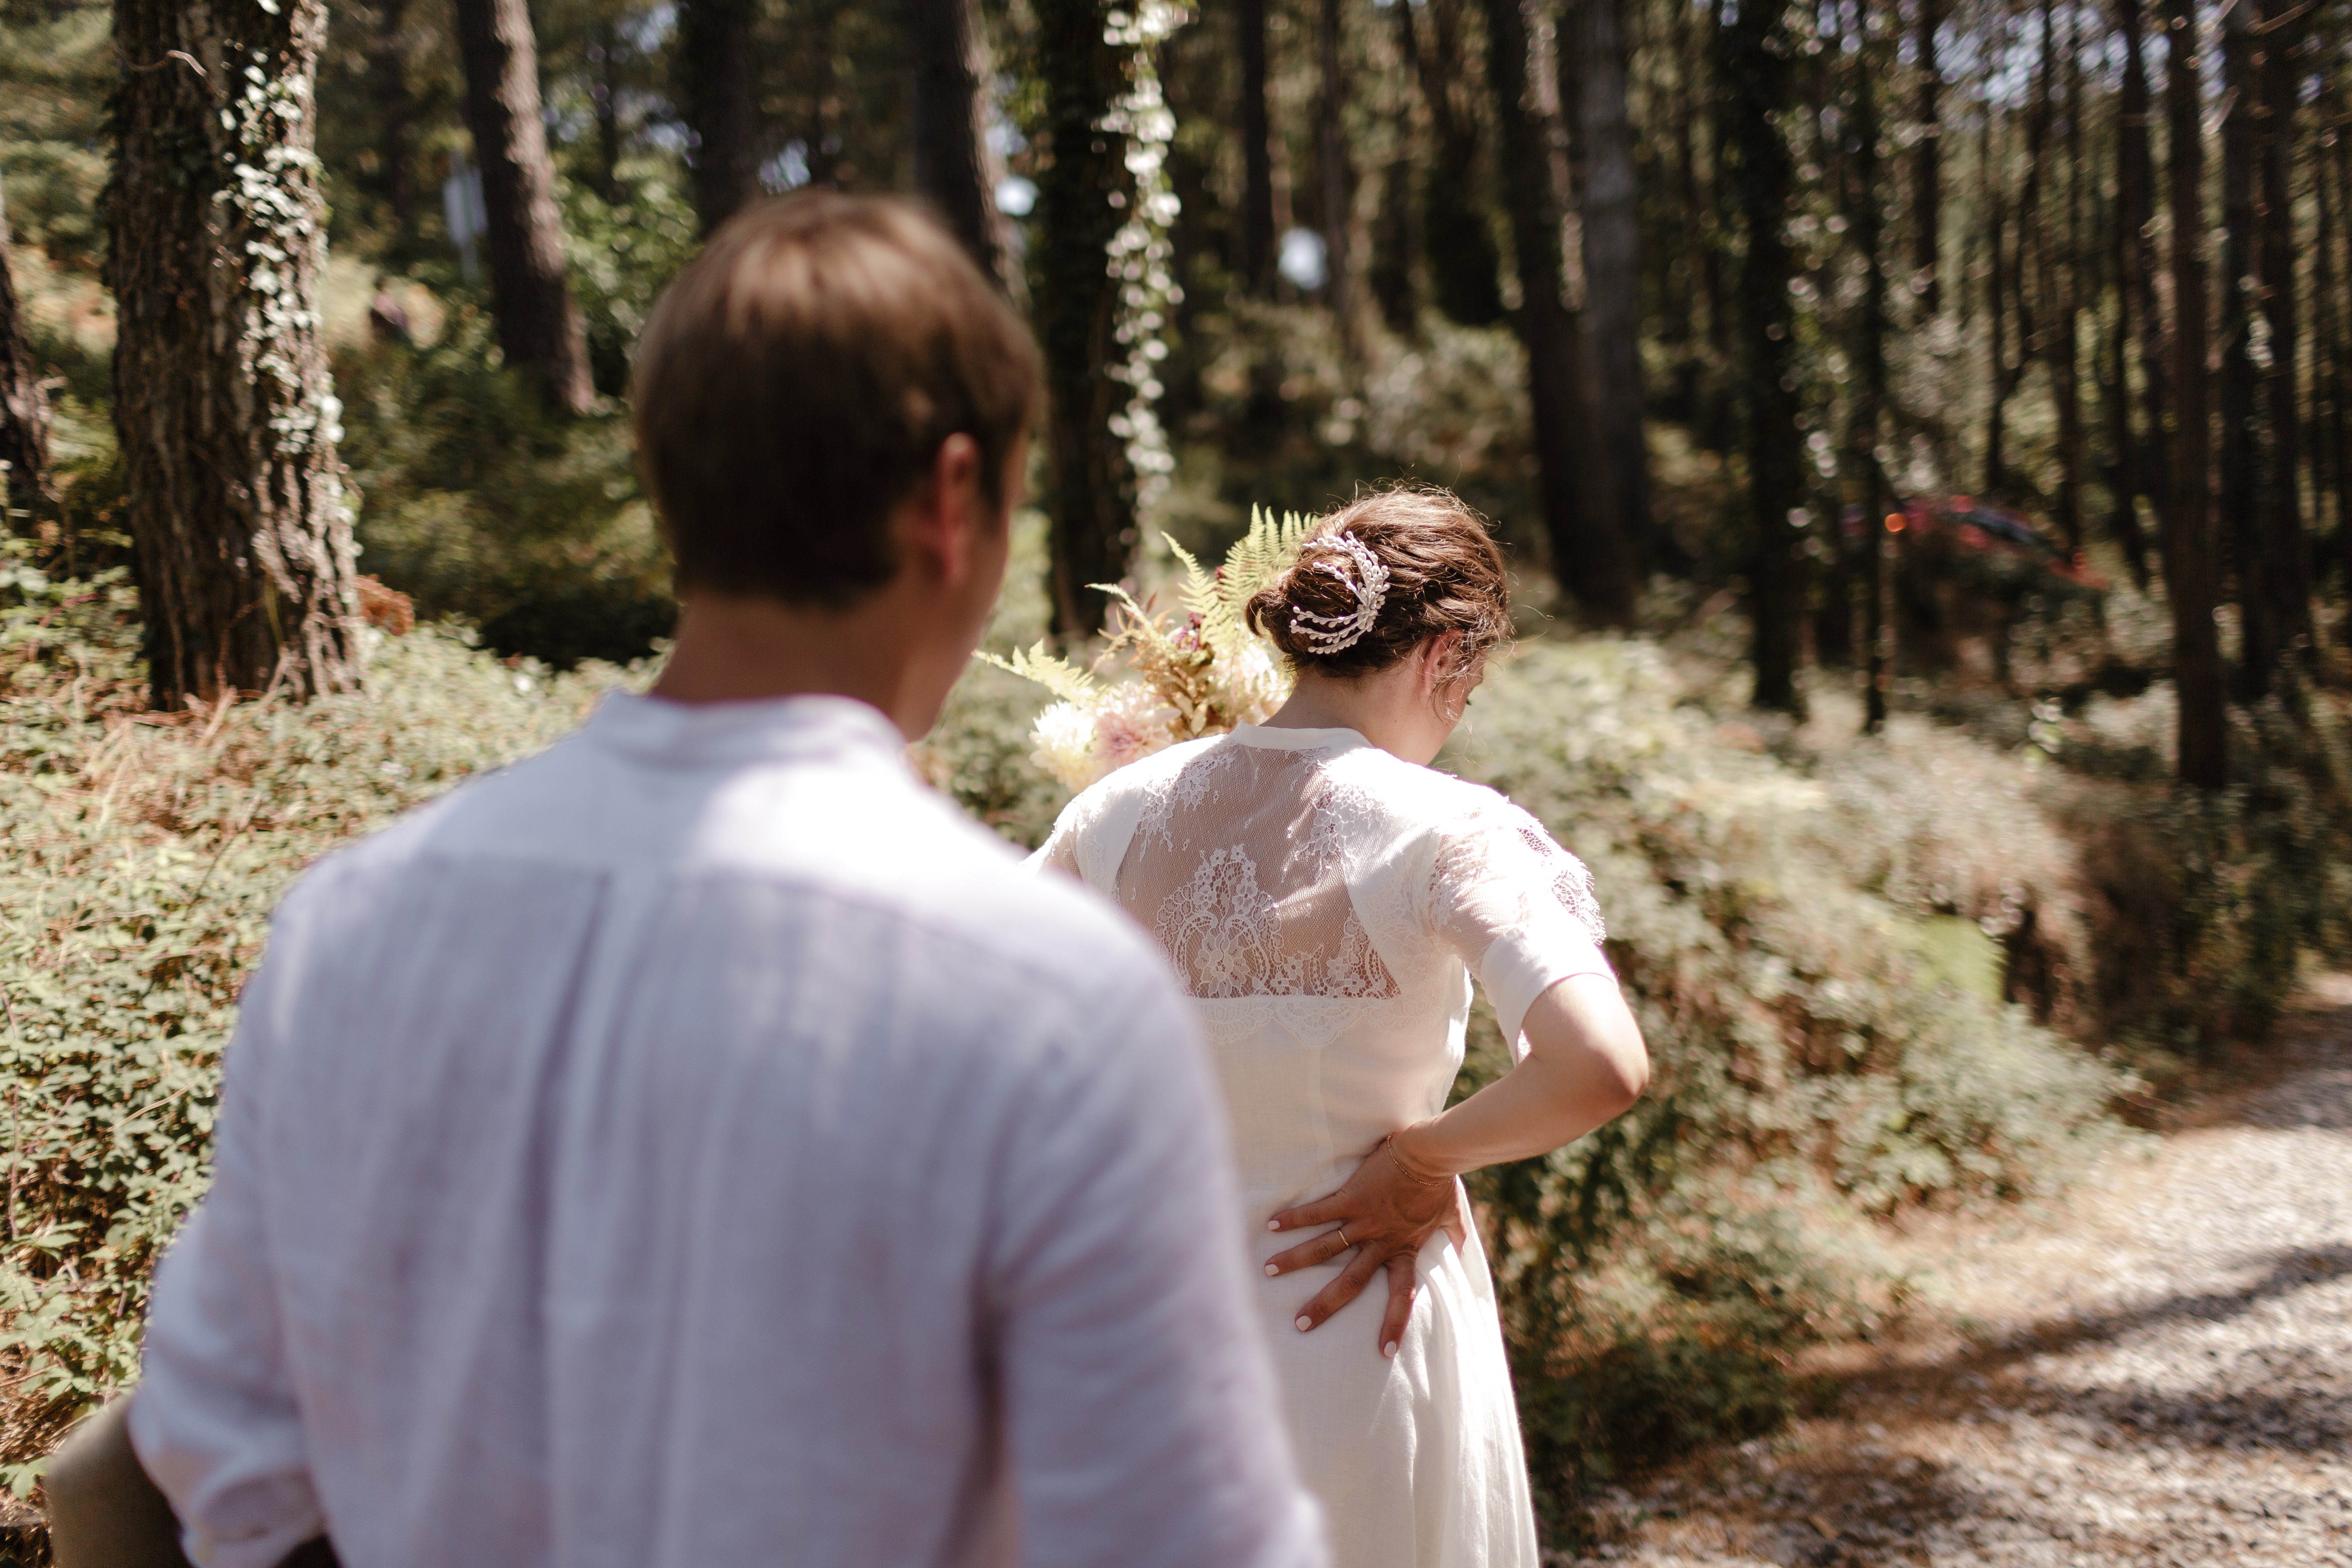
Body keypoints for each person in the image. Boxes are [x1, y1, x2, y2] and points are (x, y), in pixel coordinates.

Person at [45, 193, 1328, 1568]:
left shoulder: (351, 925)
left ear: (670, 480)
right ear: (955, 501)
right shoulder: (1044, 994)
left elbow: (201, 1448)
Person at [1030, 489, 1650, 1568]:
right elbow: (1597, 1066)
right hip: (1363, 1335)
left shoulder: (1116, 814)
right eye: (1471, 683)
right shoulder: (1451, 831)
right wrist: (1424, 1159)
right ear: (1444, 654)